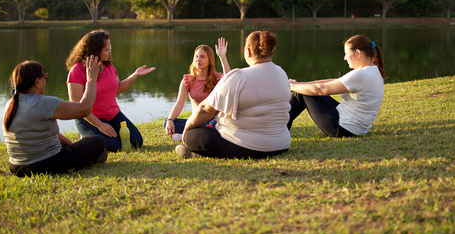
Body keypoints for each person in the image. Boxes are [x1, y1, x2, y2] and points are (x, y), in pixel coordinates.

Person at [176, 31, 291, 159]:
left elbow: (205, 109)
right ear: (270, 52)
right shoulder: (281, 73)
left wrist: (187, 129)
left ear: (247, 52)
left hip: (245, 147)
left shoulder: (239, 76)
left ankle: (195, 152)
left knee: (193, 135)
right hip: (282, 145)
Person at [3, 57, 107, 177]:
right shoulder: (42, 103)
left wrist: (73, 147)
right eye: (45, 77)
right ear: (37, 82)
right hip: (45, 165)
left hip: (16, 167)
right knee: (98, 141)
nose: (45, 81)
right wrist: (91, 79)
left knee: (85, 147)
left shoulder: (10, 104)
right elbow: (85, 108)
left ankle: (79, 160)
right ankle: (76, 165)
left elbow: (53, 134)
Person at [66, 30, 155, 152]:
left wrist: (134, 75)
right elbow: (77, 107)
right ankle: (84, 136)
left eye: (110, 47)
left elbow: (117, 89)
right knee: (115, 146)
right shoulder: (76, 71)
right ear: (96, 51)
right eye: (107, 49)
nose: (110, 51)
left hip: (112, 114)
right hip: (88, 118)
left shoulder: (108, 66)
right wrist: (100, 125)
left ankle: (100, 133)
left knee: (137, 142)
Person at [287, 34, 386, 138]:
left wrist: (292, 86)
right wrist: (300, 84)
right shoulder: (373, 70)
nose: (345, 58)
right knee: (304, 90)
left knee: (301, 93)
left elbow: (320, 90)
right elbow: (334, 81)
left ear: (358, 53)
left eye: (347, 54)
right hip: (356, 128)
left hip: (343, 129)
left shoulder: (361, 74)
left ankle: (279, 131)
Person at [164, 38, 230, 142]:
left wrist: (222, 57)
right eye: (196, 57)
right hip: (195, 121)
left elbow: (229, 80)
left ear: (209, 61)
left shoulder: (218, 78)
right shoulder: (187, 80)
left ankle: (188, 135)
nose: (198, 59)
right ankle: (198, 133)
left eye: (202, 57)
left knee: (217, 125)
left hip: (214, 121)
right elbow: (179, 104)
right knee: (168, 123)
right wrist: (170, 120)